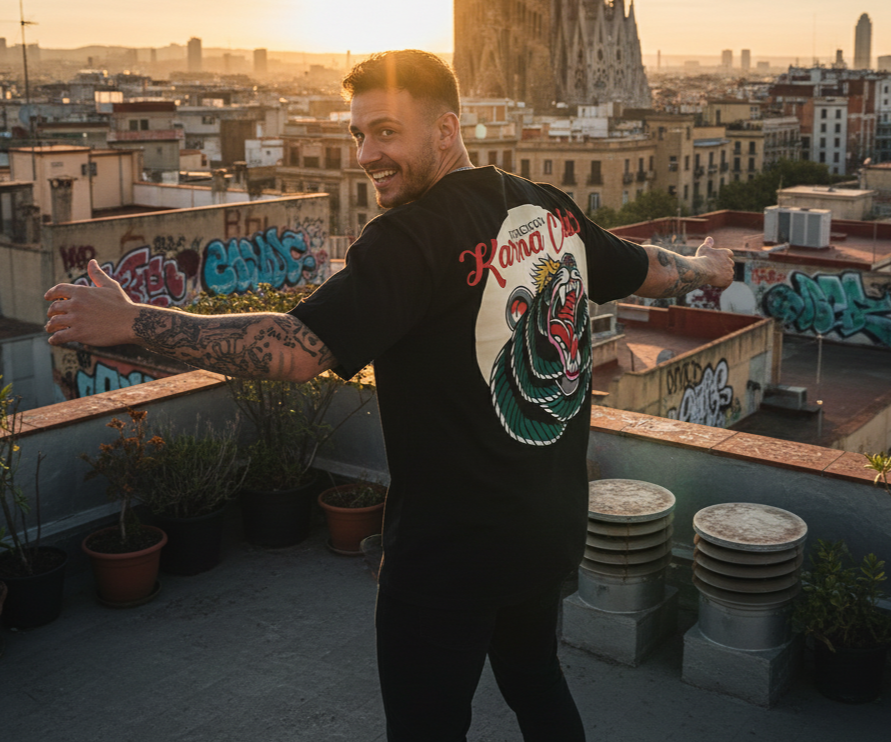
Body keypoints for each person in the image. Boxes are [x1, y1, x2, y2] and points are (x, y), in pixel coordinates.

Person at [45, 50, 733, 741]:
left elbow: (291, 349)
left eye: (386, 131)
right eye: (357, 134)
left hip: (449, 553)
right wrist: (705, 265)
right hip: (543, 527)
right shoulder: (542, 205)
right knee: (535, 681)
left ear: (445, 130)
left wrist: (131, 321)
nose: (366, 153)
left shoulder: (407, 238)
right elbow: (647, 269)